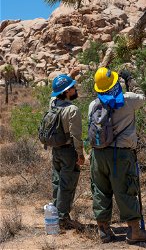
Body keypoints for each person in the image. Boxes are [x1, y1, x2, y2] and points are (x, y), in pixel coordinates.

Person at [88, 67, 146, 244]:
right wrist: (130, 79)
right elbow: (142, 96)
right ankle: (134, 232)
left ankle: (104, 231)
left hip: (98, 155)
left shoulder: (94, 105)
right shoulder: (128, 100)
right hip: (121, 154)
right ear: (115, 82)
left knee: (100, 190)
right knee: (126, 189)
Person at [50, 69, 85, 231]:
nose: (75, 89)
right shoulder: (72, 110)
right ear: (67, 91)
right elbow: (76, 136)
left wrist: (69, 77)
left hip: (55, 150)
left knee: (57, 183)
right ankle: (63, 220)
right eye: (73, 87)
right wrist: (80, 154)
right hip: (69, 152)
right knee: (67, 185)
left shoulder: (52, 103)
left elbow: (54, 93)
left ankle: (57, 215)